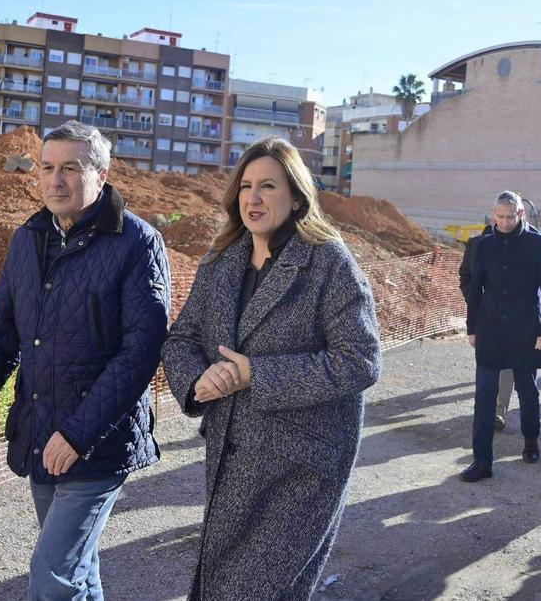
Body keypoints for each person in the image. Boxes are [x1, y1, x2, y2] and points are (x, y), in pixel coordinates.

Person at [0, 121, 171, 600]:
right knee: (76, 570)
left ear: (102, 174)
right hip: (40, 433)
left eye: (71, 168)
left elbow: (141, 351)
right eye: (47, 167)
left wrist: (77, 433)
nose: (56, 180)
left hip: (99, 443)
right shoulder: (27, 239)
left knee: (52, 575)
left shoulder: (137, 243)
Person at [161, 137, 381, 599]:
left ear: (297, 196)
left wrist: (256, 375)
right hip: (231, 456)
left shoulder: (328, 263)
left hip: (303, 468)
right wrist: (199, 378)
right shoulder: (220, 262)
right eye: (245, 186)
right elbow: (180, 339)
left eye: (268, 186)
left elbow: (360, 360)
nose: (253, 198)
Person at [462, 191, 541, 480]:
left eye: (510, 216)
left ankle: (531, 440)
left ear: (520, 214)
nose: (504, 222)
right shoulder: (484, 245)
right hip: (490, 329)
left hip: (526, 329)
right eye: (499, 216)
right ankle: (482, 462)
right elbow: (475, 288)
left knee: (527, 391)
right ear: (493, 214)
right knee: (484, 395)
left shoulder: (537, 244)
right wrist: (472, 327)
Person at [459, 213, 515, 431]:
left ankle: (499, 411)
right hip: (485, 315)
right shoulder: (476, 244)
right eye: (500, 216)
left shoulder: (524, 243)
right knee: (485, 364)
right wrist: (472, 298)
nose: (505, 221)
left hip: (513, 317)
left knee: (507, 365)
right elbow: (465, 275)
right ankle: (484, 409)